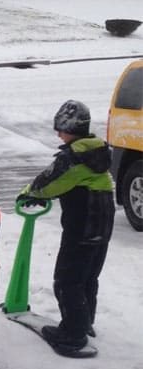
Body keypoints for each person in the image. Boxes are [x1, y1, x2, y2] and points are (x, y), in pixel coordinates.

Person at [17, 99, 115, 351]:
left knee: (67, 280)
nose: (57, 134)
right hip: (102, 230)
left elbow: (48, 184)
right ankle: (85, 322)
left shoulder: (74, 158)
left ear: (69, 128)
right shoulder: (96, 153)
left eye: (59, 128)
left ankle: (73, 333)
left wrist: (29, 193)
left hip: (81, 229)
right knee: (88, 278)